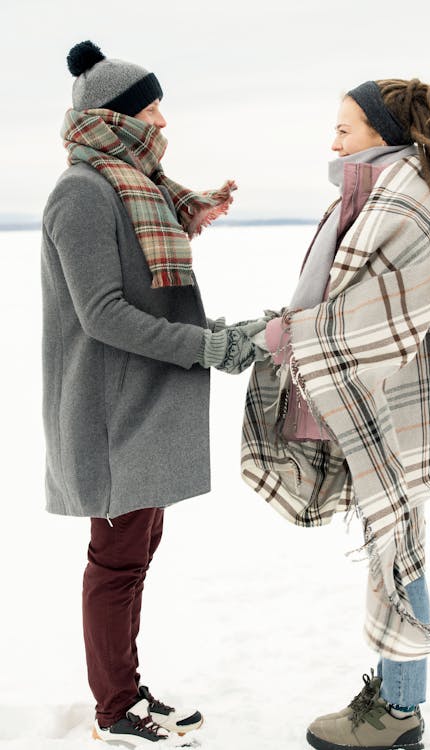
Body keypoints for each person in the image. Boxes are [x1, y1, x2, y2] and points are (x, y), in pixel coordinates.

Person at [241, 78, 430, 750]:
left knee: (400, 551)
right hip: (399, 398)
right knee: (396, 547)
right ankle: (397, 698)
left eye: (345, 128)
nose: (334, 140)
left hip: (399, 403)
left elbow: (362, 322)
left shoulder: (404, 205)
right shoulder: (388, 193)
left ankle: (400, 711)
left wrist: (276, 338)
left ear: (383, 131)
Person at [40, 40, 267, 747]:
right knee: (116, 563)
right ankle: (114, 710)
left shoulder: (127, 185)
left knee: (133, 554)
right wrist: (209, 346)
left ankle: (127, 689)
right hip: (109, 414)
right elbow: (103, 314)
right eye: (151, 106)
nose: (163, 120)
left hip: (139, 407)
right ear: (118, 116)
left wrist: (229, 335)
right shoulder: (82, 192)